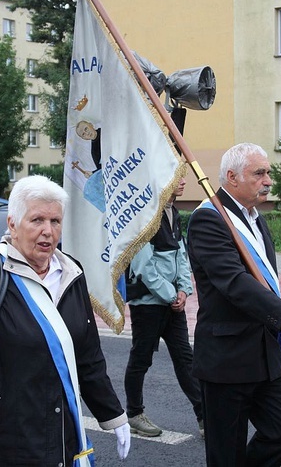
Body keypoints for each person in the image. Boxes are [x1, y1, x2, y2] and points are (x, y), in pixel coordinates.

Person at [0, 175, 130, 466]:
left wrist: (113, 415)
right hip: (8, 435)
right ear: (13, 223)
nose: (48, 232)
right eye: (37, 220)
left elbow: (88, 356)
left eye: (55, 221)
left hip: (63, 430)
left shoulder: (71, 273)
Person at [187, 143, 281, 466]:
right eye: (259, 173)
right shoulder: (208, 219)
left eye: (268, 172)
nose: (268, 180)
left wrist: (279, 341)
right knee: (225, 452)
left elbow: (266, 281)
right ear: (232, 177)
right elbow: (233, 282)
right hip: (226, 359)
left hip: (266, 353)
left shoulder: (255, 218)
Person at [124, 177, 203, 438]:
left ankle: (205, 417)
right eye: (176, 177)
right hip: (147, 304)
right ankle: (134, 415)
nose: (182, 182)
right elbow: (143, 266)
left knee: (185, 359)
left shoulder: (172, 212)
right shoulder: (146, 214)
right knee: (141, 359)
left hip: (171, 303)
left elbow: (180, 253)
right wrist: (171, 294)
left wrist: (183, 290)